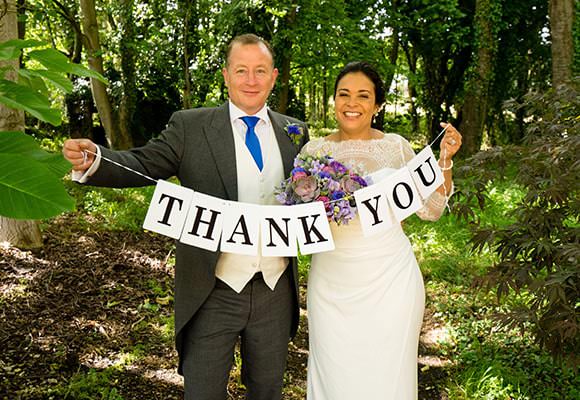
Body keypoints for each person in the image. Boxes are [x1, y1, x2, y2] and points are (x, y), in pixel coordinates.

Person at [62, 34, 308, 400]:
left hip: (276, 291)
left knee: (268, 391)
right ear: (226, 75)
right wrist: (97, 158)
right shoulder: (190, 127)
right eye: (241, 70)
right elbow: (144, 163)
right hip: (212, 288)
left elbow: (317, 195)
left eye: (260, 71)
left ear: (273, 77)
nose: (251, 80)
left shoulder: (296, 132)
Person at [300, 61, 462, 399]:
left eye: (363, 96)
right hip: (330, 283)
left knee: (387, 378)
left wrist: (444, 159)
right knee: (334, 376)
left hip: (390, 282)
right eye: (343, 94)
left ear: (377, 105)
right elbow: (298, 220)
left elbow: (432, 209)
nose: (351, 103)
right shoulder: (312, 153)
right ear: (333, 101)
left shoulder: (395, 147)